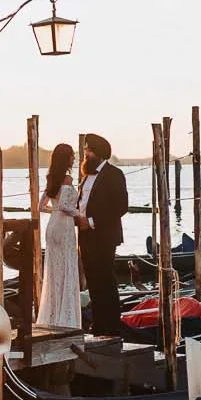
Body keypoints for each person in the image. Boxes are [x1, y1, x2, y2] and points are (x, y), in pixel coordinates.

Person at [75, 133, 129, 335]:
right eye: (85, 149)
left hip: (104, 236)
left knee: (105, 279)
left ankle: (112, 325)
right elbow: (82, 204)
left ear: (97, 153)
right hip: (85, 237)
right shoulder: (86, 176)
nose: (85, 153)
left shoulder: (114, 174)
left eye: (88, 149)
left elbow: (121, 207)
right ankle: (98, 324)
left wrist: (91, 222)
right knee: (92, 280)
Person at [37, 143, 85, 329]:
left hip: (52, 225)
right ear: (66, 159)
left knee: (54, 269)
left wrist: (54, 210)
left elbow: (40, 206)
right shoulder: (67, 179)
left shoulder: (52, 179)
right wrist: (79, 215)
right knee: (66, 267)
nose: (74, 158)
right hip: (64, 226)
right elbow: (65, 206)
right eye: (72, 156)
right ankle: (65, 317)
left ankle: (52, 314)